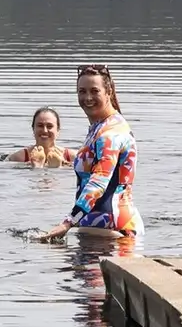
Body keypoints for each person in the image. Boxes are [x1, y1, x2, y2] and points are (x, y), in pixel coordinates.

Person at [36, 64, 142, 241]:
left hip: (114, 235)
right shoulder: (99, 128)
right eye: (82, 91)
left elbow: (98, 182)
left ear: (108, 92)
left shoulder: (111, 134)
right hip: (99, 232)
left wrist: (68, 223)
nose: (87, 98)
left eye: (94, 91)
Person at [4, 107, 75, 167]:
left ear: (58, 129)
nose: (45, 130)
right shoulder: (18, 158)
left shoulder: (73, 157)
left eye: (49, 126)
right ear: (33, 128)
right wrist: (36, 167)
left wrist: (58, 168)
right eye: (40, 126)